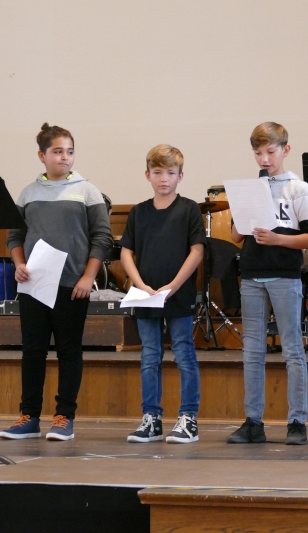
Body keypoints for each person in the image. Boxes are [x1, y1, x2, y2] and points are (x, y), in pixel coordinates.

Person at [0, 123, 112, 441]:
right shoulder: (28, 193)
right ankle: (29, 416)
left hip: (72, 286)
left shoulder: (87, 191)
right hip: (34, 287)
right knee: (33, 352)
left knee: (68, 351)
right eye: (58, 151)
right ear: (42, 156)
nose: (65, 157)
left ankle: (64, 417)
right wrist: (19, 264)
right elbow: (15, 235)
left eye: (70, 151)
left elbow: (102, 238)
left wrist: (88, 277)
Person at [226, 122, 308, 446]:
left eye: (270, 152)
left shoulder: (298, 188)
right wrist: (242, 207)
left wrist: (278, 238)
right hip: (252, 274)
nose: (264, 159)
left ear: (285, 150)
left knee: (292, 349)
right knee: (252, 350)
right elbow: (236, 236)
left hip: (284, 274)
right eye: (258, 153)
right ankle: (253, 422)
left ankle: (297, 422)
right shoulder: (252, 187)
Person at [120, 145, 205, 444]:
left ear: (180, 176)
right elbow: (126, 252)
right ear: (147, 175)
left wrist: (174, 285)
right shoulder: (139, 212)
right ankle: (151, 418)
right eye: (157, 172)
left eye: (170, 173)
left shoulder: (189, 209)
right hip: (146, 294)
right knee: (150, 356)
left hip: (178, 293)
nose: (163, 178)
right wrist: (140, 284)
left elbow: (197, 251)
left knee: (184, 353)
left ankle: (188, 418)